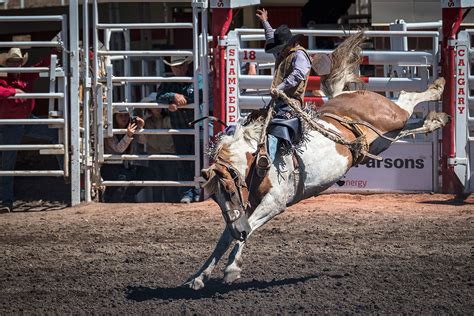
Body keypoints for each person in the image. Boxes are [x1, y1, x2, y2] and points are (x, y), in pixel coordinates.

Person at [0, 48, 61, 213]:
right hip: (10, 124)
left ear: (21, 63)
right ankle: (5, 201)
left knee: (58, 133)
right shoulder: (2, 79)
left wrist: (57, 50)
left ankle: (68, 177)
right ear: (7, 64)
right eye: (12, 62)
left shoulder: (26, 74)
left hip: (27, 119)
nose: (15, 64)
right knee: (7, 163)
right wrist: (13, 91)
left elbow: (42, 64)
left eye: (17, 62)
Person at [255, 9, 312, 170]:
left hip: (291, 102)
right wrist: (265, 21)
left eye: (283, 46)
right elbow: (271, 37)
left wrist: (278, 88)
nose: (280, 50)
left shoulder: (300, 55)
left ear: (291, 44)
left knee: (277, 128)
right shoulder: (285, 53)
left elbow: (297, 75)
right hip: (279, 100)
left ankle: (267, 162)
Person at [156, 55, 202, 203]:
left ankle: (199, 191)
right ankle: (188, 192)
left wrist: (178, 100)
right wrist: (173, 96)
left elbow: (199, 95)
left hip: (197, 127)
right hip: (181, 128)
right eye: (176, 66)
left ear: (187, 65)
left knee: (201, 160)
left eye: (181, 65)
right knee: (183, 162)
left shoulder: (197, 78)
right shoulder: (169, 82)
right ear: (171, 67)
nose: (179, 68)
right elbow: (159, 97)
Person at [101, 108, 155, 203]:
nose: (124, 118)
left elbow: (144, 141)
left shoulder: (131, 127)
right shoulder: (109, 130)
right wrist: (128, 135)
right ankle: (112, 200)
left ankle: (128, 196)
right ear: (115, 118)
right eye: (120, 116)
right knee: (123, 178)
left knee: (149, 173)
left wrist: (141, 128)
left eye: (126, 115)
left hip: (126, 166)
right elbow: (119, 149)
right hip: (110, 166)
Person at [142, 107, 181, 202]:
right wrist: (144, 119)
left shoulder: (168, 119)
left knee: (170, 184)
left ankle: (171, 204)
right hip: (154, 155)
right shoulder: (146, 122)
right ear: (150, 109)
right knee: (156, 185)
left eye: (159, 106)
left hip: (169, 153)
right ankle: (157, 206)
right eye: (154, 107)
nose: (158, 109)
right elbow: (141, 139)